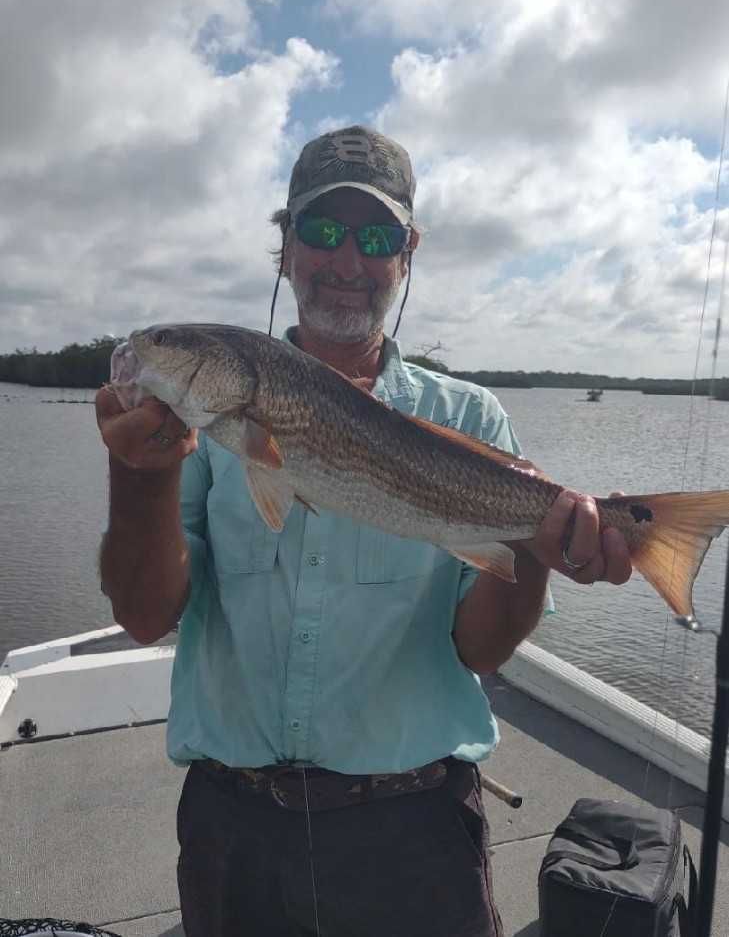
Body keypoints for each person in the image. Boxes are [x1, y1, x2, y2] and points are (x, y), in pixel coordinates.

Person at [96, 125, 632, 937]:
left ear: (406, 254)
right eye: (321, 230)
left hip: (412, 830)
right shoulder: (200, 433)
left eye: (375, 236)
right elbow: (142, 615)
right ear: (284, 247)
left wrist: (540, 545)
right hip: (233, 829)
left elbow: (480, 649)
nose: (346, 260)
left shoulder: (470, 418)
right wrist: (140, 475)